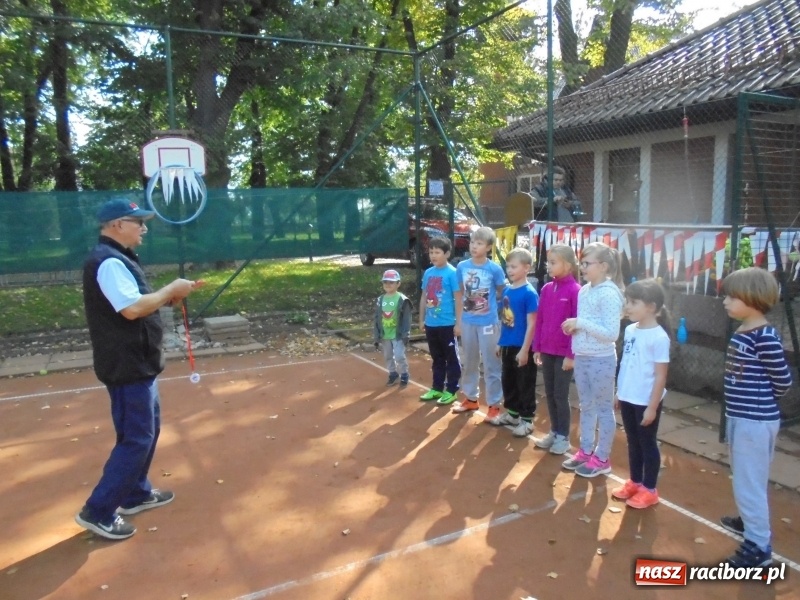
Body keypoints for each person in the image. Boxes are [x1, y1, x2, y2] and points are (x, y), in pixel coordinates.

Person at [75, 198, 204, 541]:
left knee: (147, 431)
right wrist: (169, 290)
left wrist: (165, 297)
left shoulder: (118, 259)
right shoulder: (109, 262)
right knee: (136, 438)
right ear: (117, 225)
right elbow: (132, 309)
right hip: (127, 364)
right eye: (138, 222)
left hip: (136, 362)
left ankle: (135, 493)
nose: (144, 228)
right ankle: (99, 510)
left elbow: (136, 304)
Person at [718, 267, 791, 567]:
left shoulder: (764, 336)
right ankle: (750, 523)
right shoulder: (745, 329)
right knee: (746, 477)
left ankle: (759, 546)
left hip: (755, 421)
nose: (725, 301)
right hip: (742, 418)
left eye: (732, 297)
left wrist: (758, 406)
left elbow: (783, 381)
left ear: (753, 299)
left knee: (749, 482)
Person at [561, 241, 625, 477]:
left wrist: (580, 324)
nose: (583, 267)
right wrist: (574, 330)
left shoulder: (609, 294)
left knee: (603, 408)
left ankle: (602, 458)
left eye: (588, 263)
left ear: (604, 266)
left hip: (601, 360)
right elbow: (587, 325)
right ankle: (586, 451)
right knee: (585, 405)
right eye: (582, 262)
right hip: (584, 357)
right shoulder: (585, 290)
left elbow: (611, 333)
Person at [612, 279, 671, 509]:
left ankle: (650, 489)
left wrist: (652, 407)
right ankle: (635, 482)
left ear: (652, 307)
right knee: (632, 441)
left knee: (647, 443)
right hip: (628, 396)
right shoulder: (629, 330)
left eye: (634, 302)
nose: (628, 306)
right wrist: (620, 392)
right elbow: (626, 363)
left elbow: (660, 376)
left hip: (646, 400)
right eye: (628, 301)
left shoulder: (659, 338)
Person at [453, 226, 506, 422]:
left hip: (489, 324)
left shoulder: (494, 269)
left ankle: (494, 405)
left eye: (480, 243)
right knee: (469, 362)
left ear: (489, 247)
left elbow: (502, 292)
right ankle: (470, 398)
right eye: (473, 242)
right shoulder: (462, 267)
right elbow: (461, 293)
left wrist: (494, 311)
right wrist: (459, 321)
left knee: (492, 364)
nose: (474, 246)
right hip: (468, 322)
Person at [532, 244, 581, 455]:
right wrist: (537, 347)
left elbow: (577, 327)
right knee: (549, 393)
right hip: (548, 351)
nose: (548, 266)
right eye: (548, 262)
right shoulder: (545, 289)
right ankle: (554, 431)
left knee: (561, 395)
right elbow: (540, 320)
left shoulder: (576, 291)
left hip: (564, 355)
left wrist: (571, 355)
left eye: (553, 262)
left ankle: (564, 437)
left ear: (568, 265)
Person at [488, 247, 539, 436]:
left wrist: (525, 349)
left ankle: (527, 420)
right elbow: (505, 318)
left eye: (514, 266)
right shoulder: (507, 290)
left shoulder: (529, 293)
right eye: (508, 266)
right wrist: (500, 342)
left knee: (524, 382)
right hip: (508, 345)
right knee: (508, 380)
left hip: (522, 346)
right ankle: (512, 413)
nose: (510, 270)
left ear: (526, 268)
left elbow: (532, 323)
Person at [418, 237, 462, 405]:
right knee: (436, 358)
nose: (433, 255)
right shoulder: (428, 273)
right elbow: (423, 297)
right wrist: (421, 319)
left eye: (437, 252)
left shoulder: (452, 273)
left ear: (447, 253)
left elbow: (459, 299)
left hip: (447, 324)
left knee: (451, 357)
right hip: (431, 324)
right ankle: (436, 388)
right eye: (431, 252)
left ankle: (451, 390)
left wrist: (458, 323)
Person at [373, 269, 413, 387]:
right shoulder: (380, 300)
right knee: (388, 356)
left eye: (391, 282)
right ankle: (393, 373)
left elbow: (406, 318)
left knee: (400, 355)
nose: (388, 285)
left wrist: (406, 333)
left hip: (398, 334)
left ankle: (404, 373)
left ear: (398, 284)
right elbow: (377, 318)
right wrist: (376, 335)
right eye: (385, 282)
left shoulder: (402, 299)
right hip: (385, 334)